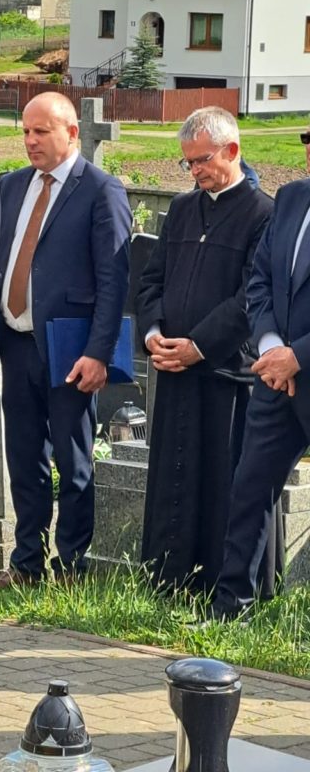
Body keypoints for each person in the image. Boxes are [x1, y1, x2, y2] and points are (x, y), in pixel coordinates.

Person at [0, 92, 131, 587]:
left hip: (71, 348)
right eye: (25, 131)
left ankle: (71, 566)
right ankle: (26, 563)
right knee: (24, 458)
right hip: (15, 342)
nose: (30, 141)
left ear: (71, 132)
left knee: (73, 460)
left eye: (41, 131)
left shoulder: (101, 190)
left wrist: (98, 353)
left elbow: (113, 281)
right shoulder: (11, 186)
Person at [136, 107, 277, 595]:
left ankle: (220, 587)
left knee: (223, 484)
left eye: (202, 160)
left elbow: (252, 296)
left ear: (232, 150)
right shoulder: (181, 209)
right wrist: (153, 332)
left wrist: (199, 346)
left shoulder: (263, 214)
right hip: (175, 369)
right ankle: (168, 581)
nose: (194, 170)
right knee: (173, 482)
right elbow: (151, 280)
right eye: (188, 162)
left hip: (226, 375)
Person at [209, 125, 310, 619]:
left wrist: (299, 355)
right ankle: (232, 607)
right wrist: (271, 347)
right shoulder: (291, 199)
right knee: (250, 488)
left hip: (299, 364)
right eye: (308, 143)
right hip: (275, 377)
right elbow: (261, 279)